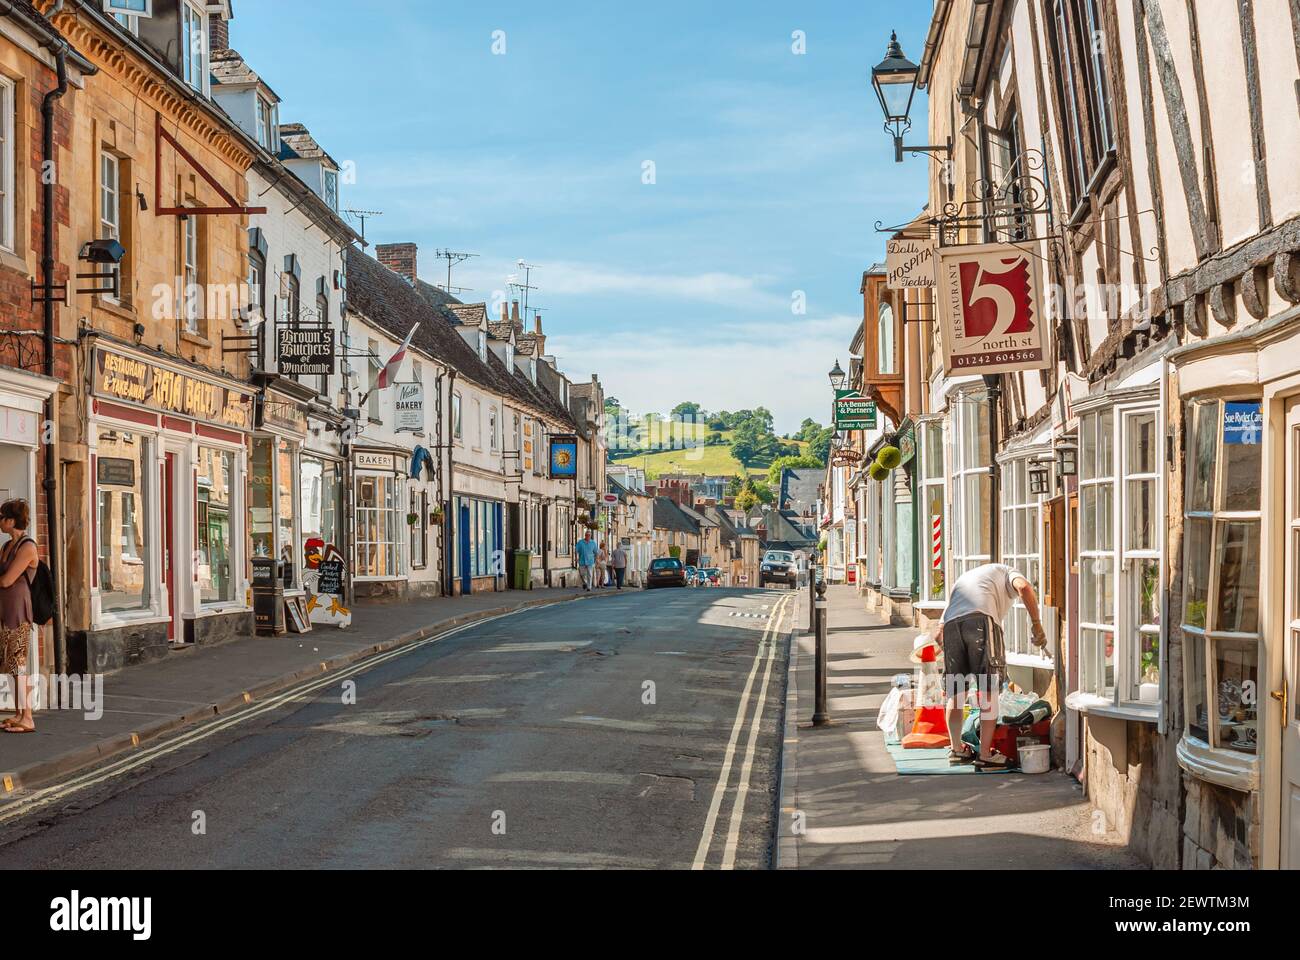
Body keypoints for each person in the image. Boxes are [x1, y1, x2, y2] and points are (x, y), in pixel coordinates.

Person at [941, 562, 1047, 770]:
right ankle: (985, 754)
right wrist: (1036, 624)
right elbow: (1025, 588)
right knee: (988, 690)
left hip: (950, 625)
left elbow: (940, 627)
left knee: (956, 690)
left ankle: (957, 750)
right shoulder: (1008, 572)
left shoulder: (969, 578)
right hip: (981, 622)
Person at [0, 500, 39, 734]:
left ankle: (28, 717)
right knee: (11, 665)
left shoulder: (27, 547)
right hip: (4, 609)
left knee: (18, 662)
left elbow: (7, 580)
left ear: (12, 521)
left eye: (2, 516)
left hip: (18, 611)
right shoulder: (6, 546)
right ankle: (17, 713)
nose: (0, 520)